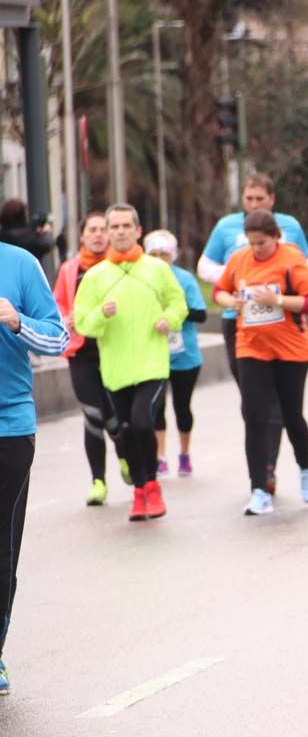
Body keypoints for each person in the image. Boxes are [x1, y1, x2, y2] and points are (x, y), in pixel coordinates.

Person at [197, 173, 308, 494]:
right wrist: (240, 278)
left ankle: (267, 469)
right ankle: (262, 466)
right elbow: (205, 267)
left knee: (276, 403)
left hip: (283, 325)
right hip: (239, 323)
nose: (255, 204)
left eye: (260, 199)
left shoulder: (290, 227)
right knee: (253, 402)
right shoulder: (226, 227)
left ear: (272, 199)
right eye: (249, 199)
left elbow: (307, 269)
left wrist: (277, 290)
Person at [74, 205, 187, 520]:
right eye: (114, 226)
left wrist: (169, 319)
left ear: (138, 231)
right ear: (108, 232)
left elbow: (178, 303)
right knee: (125, 431)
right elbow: (82, 322)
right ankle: (139, 492)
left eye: (126, 226)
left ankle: (153, 486)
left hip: (152, 364)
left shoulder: (157, 269)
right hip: (115, 370)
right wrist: (101, 314)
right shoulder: (95, 277)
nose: (120, 231)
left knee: (141, 422)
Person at [213, 211, 308, 516]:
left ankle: (305, 467)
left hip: (291, 350)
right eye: (251, 243)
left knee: (291, 415)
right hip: (251, 347)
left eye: (262, 243)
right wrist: (230, 302)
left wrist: (278, 301)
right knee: (254, 416)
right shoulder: (239, 259)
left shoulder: (291, 260)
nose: (256, 249)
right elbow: (219, 290)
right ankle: (259, 489)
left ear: (275, 237)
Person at [0, 239, 69, 695]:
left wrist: (18, 321)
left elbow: (58, 338)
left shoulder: (20, 264)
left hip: (7, 426)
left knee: (1, 544)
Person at [53, 212, 131, 505]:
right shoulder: (69, 269)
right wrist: (65, 319)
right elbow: (57, 304)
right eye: (92, 230)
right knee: (92, 413)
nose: (98, 235)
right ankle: (98, 481)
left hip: (113, 347)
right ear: (82, 235)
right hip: (81, 351)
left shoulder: (119, 267)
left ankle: (125, 456)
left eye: (102, 229)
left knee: (113, 413)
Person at [142, 230, 207, 477]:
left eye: (164, 254)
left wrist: (173, 312)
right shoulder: (140, 279)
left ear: (173, 255)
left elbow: (200, 313)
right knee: (156, 408)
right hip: (153, 355)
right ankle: (160, 456)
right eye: (154, 254)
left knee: (182, 406)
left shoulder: (184, 279)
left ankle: (184, 453)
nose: (159, 259)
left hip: (184, 356)